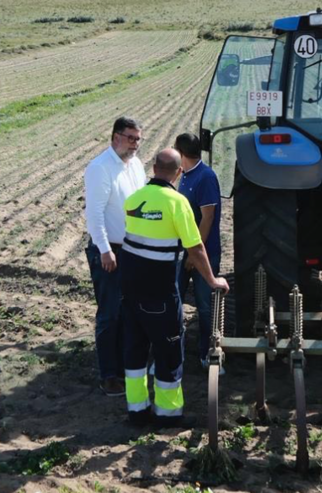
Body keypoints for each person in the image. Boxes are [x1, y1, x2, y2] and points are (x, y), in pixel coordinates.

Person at [119, 148, 229, 425]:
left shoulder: (134, 199)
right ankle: (167, 415)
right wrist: (213, 280)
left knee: (135, 350)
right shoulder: (177, 203)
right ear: (179, 173)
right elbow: (196, 248)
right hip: (160, 291)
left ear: (154, 168)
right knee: (168, 351)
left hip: (131, 289)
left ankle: (137, 410)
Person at [83, 117, 147, 397]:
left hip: (132, 249)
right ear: (116, 136)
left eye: (138, 139)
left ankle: (126, 367)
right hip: (109, 250)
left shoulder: (135, 165)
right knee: (109, 314)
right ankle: (109, 375)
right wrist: (105, 250)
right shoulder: (100, 168)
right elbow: (94, 214)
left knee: (129, 311)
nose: (135, 144)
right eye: (131, 138)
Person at [173, 132, 222, 369]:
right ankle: (172, 352)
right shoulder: (184, 176)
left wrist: (194, 254)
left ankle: (207, 353)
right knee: (174, 302)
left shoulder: (205, 177)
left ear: (181, 153)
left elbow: (207, 217)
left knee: (205, 305)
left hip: (204, 254)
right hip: (183, 254)